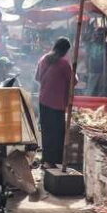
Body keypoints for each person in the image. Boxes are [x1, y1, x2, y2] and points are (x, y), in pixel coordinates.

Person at [35, 38, 73, 168]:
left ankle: (46, 160)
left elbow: (37, 77)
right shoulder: (64, 63)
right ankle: (52, 161)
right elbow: (73, 81)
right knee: (57, 133)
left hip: (43, 100)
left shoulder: (43, 59)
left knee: (46, 131)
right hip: (57, 103)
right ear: (65, 50)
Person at [85, 29, 107, 96]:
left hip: (103, 70)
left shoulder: (106, 45)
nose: (99, 36)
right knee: (90, 88)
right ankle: (86, 101)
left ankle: (100, 102)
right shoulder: (90, 44)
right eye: (97, 34)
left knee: (102, 89)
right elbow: (87, 56)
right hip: (93, 69)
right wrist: (87, 68)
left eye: (101, 35)